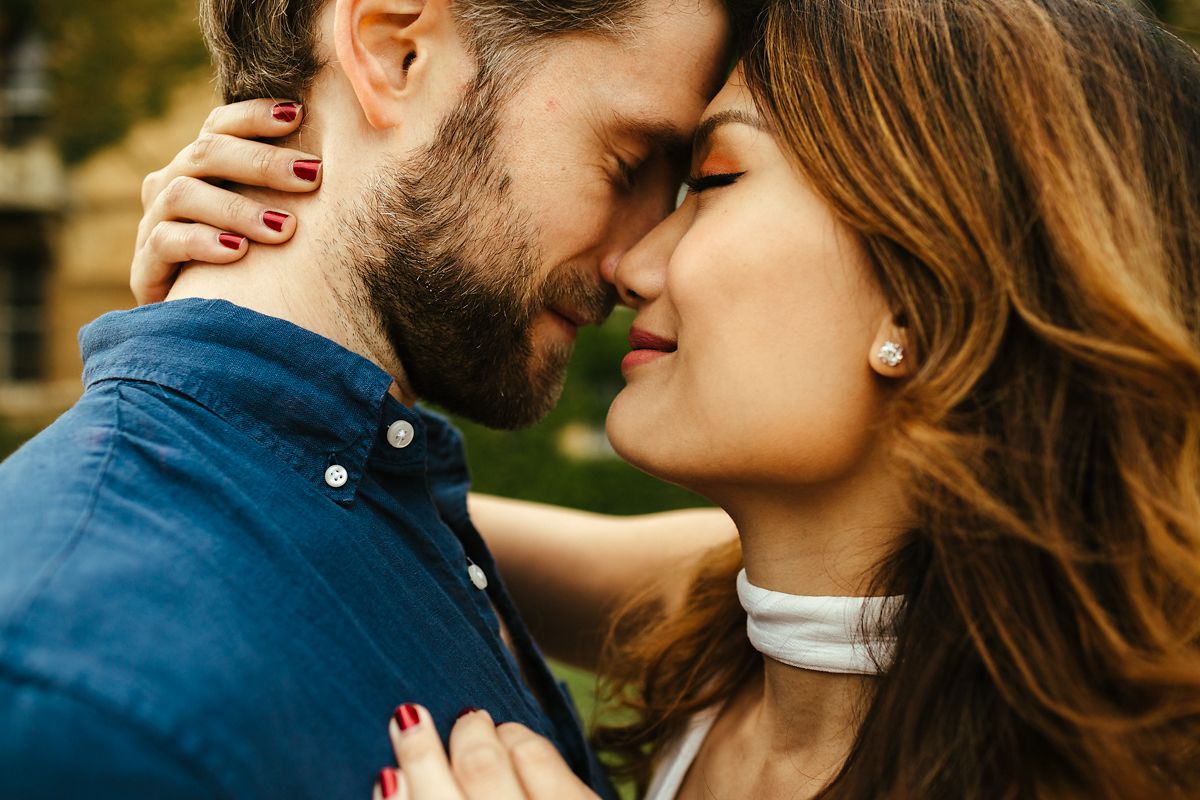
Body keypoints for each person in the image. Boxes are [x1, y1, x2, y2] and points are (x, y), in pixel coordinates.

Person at [133, 0, 1200, 797]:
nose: (633, 258)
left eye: (714, 182)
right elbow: (378, 514)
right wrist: (226, 329)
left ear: (935, 287)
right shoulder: (728, 629)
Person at [0, 1, 754, 798]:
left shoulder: (385, 494)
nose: (640, 263)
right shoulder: (68, 690)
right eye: (628, 165)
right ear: (395, 52)